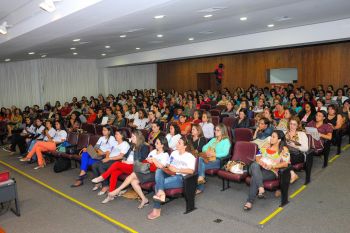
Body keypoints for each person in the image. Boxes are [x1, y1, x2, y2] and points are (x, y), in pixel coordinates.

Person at [104, 136, 169, 208]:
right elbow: (146, 161)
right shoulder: (153, 151)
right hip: (146, 170)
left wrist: (154, 160)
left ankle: (116, 191)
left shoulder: (165, 155)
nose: (155, 144)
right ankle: (144, 199)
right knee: (133, 182)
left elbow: (162, 167)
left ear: (162, 145)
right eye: (155, 142)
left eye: (157, 143)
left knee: (133, 174)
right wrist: (149, 160)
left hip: (155, 174)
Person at [92, 130, 149, 203]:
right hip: (126, 165)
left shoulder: (144, 147)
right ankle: (111, 195)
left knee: (116, 164)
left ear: (138, 137)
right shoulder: (132, 145)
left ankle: (102, 177)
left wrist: (130, 162)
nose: (131, 138)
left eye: (133, 136)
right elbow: (125, 155)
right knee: (114, 172)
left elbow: (142, 160)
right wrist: (124, 160)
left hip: (135, 166)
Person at [148, 136, 196, 220]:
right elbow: (168, 164)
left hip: (180, 177)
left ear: (185, 146)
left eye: (179, 143)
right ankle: (161, 193)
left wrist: (177, 169)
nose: (177, 144)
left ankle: (157, 209)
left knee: (157, 186)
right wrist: (169, 167)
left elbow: (191, 171)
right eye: (177, 142)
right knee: (159, 171)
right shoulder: (174, 153)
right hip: (170, 173)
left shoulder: (190, 156)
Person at [243, 130, 290, 210]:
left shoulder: (283, 149)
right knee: (254, 165)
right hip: (258, 167)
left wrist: (273, 166)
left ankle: (249, 201)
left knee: (255, 177)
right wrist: (260, 162)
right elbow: (257, 156)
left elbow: (285, 163)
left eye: (273, 137)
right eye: (271, 136)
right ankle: (261, 188)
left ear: (279, 140)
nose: (271, 138)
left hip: (270, 171)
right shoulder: (266, 145)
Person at [91, 129, 130, 195]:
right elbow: (109, 151)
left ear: (122, 136)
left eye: (117, 134)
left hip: (117, 160)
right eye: (115, 134)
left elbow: (121, 156)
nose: (115, 135)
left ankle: (105, 186)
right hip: (110, 159)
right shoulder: (115, 143)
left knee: (101, 167)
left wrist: (109, 159)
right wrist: (107, 157)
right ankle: (99, 182)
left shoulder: (125, 144)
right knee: (94, 165)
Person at [197, 123, 231, 193]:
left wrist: (214, 154)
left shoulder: (226, 141)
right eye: (215, 130)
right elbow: (204, 147)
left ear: (222, 131)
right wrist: (207, 152)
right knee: (199, 161)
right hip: (208, 158)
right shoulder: (213, 139)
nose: (215, 131)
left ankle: (200, 186)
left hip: (218, 160)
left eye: (218, 130)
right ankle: (201, 179)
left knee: (199, 165)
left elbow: (225, 153)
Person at [285, 117, 309, 183]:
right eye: (291, 124)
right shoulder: (285, 133)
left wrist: (295, 146)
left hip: (298, 154)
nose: (292, 126)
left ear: (298, 125)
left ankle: (290, 174)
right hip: (287, 153)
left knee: (285, 159)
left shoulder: (301, 134)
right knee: (283, 157)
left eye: (294, 124)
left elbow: (306, 148)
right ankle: (292, 173)